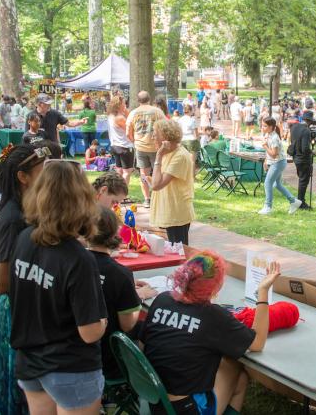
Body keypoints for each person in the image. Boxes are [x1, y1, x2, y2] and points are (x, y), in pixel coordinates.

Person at [9, 161, 106, 414]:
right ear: (82, 199)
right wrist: (104, 321)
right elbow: (90, 332)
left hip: (30, 360)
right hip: (70, 367)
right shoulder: (78, 258)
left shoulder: (23, 239)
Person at [140, 252, 280, 415]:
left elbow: (144, 343)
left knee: (240, 379)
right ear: (216, 286)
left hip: (154, 396)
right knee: (233, 364)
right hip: (182, 409)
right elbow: (257, 343)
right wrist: (263, 292)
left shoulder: (162, 299)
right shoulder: (214, 316)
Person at [0, 144, 47, 415]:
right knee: (15, 390)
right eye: (41, 170)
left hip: (16, 306)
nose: (46, 175)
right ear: (23, 177)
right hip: (9, 308)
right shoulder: (13, 218)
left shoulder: (24, 208)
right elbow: (2, 282)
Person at [85, 206, 151, 382]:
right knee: (150, 327)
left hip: (76, 348)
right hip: (108, 358)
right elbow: (128, 324)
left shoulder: (75, 262)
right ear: (115, 233)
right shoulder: (120, 274)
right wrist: (138, 295)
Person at [150, 119, 195, 245]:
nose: (152, 136)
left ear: (166, 137)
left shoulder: (179, 156)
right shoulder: (169, 153)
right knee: (174, 251)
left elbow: (156, 185)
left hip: (177, 213)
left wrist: (158, 156)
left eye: (155, 133)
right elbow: (157, 181)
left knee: (178, 253)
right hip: (170, 210)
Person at [126, 90, 166, 208]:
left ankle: (147, 199)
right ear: (149, 99)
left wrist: (135, 141)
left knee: (144, 174)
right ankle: (159, 197)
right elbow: (165, 127)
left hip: (140, 147)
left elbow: (128, 133)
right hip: (156, 147)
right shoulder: (157, 111)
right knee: (159, 172)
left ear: (138, 100)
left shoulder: (133, 113)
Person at [258, 118, 301, 215]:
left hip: (278, 163)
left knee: (267, 183)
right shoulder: (268, 135)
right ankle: (294, 201)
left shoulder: (274, 138)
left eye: (264, 126)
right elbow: (269, 154)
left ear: (271, 127)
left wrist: (265, 146)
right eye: (262, 125)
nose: (262, 127)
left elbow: (274, 154)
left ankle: (268, 206)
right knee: (277, 184)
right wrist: (266, 161)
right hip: (275, 162)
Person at [288, 110, 314, 210]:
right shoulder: (306, 130)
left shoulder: (294, 127)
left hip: (295, 157)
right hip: (303, 159)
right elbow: (305, 149)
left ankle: (300, 201)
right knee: (304, 181)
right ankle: (301, 202)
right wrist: (312, 152)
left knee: (301, 179)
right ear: (310, 121)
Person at [107, 97, 135, 189]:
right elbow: (130, 130)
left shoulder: (111, 116)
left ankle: (118, 192)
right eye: (124, 103)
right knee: (127, 171)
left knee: (119, 170)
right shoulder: (120, 118)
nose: (125, 105)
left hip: (115, 145)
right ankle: (123, 193)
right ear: (119, 105)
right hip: (124, 146)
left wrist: (125, 111)